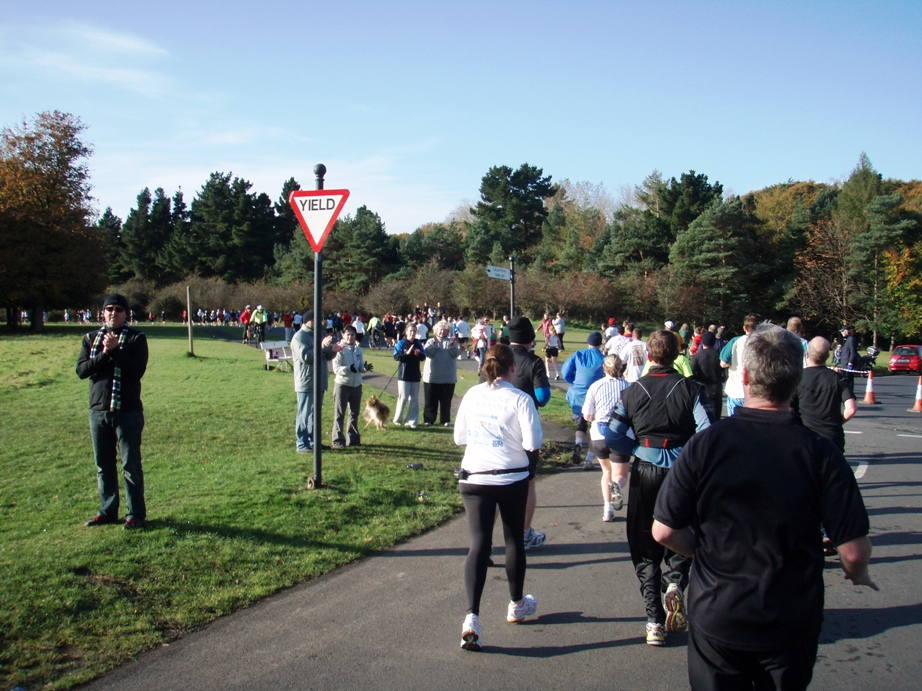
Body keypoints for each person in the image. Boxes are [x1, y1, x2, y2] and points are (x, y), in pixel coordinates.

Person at [652, 324, 877, 688]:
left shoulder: (706, 445)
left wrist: (704, 552)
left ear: (744, 376)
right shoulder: (822, 455)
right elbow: (852, 550)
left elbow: (663, 529)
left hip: (718, 612)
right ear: (797, 379)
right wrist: (858, 571)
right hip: (788, 618)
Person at [605, 330, 712, 646]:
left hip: (645, 470)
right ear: (678, 354)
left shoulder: (632, 391)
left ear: (649, 356)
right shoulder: (691, 389)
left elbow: (612, 435)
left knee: (643, 542)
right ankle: (676, 581)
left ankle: (653, 620)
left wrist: (637, 450)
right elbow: (706, 430)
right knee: (684, 530)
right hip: (682, 471)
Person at [454, 344, 543, 651]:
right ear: (512, 369)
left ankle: (472, 616)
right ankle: (516, 603)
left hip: (474, 477)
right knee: (514, 539)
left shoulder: (472, 395)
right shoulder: (520, 398)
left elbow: (459, 437)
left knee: (479, 543)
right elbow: (533, 443)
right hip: (510, 477)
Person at [76, 293, 149, 530]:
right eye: (109, 309)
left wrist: (117, 351)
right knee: (103, 465)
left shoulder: (136, 338)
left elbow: (136, 370)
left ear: (126, 314)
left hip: (127, 412)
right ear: (102, 312)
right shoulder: (90, 338)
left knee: (131, 466)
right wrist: (105, 354)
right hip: (99, 412)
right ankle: (107, 511)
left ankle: (135, 514)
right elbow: (82, 370)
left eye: (118, 309)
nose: (113, 313)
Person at [507, 317, 551, 551]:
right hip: (524, 428)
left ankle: (486, 542)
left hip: (497, 427)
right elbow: (542, 397)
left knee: (496, 486)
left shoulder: (496, 357)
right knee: (528, 484)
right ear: (530, 339)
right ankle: (523, 534)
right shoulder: (533, 361)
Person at [582, 354, 631, 522]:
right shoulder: (629, 387)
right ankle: (616, 486)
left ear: (604, 367)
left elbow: (587, 415)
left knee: (606, 472)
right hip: (620, 434)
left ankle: (607, 510)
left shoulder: (595, 386)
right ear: (621, 368)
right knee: (621, 474)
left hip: (598, 435)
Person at [793, 336, 858, 453]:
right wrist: (838, 422)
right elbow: (851, 409)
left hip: (805, 438)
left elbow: (788, 409)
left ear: (806, 354)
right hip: (832, 437)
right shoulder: (839, 379)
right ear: (828, 356)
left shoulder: (797, 379)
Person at [292, 310, 338, 453]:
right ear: (308, 321)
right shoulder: (299, 337)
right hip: (307, 382)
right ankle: (302, 444)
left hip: (319, 381)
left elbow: (323, 356)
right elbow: (307, 357)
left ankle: (314, 442)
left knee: (315, 414)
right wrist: (323, 347)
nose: (320, 322)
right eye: (317, 319)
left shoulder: (317, 335)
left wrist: (333, 350)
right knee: (305, 414)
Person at [561, 332, 606, 469]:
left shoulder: (578, 354)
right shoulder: (603, 358)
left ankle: (579, 443)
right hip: (596, 397)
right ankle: (588, 459)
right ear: (600, 343)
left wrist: (574, 381)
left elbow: (565, 372)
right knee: (594, 428)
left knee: (581, 424)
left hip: (578, 395)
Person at [331, 325, 366, 448]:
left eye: (352, 334)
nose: (350, 337)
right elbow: (336, 368)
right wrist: (347, 369)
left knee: (354, 414)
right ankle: (338, 440)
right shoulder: (339, 349)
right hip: (343, 385)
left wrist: (365, 368)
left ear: (355, 336)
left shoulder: (358, 350)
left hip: (356, 385)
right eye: (347, 334)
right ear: (343, 335)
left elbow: (360, 367)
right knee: (340, 414)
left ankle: (353, 439)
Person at [422, 320, 462, 426]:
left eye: (445, 330)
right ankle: (429, 420)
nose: (442, 332)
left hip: (448, 377)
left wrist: (452, 345)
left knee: (446, 401)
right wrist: (435, 345)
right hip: (432, 377)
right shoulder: (430, 341)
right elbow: (428, 353)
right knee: (430, 401)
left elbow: (456, 354)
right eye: (440, 330)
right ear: (436, 330)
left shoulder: (451, 341)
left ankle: (445, 420)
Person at [720, 313, 759, 416]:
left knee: (734, 426)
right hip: (757, 392)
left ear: (744, 328)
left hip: (736, 389)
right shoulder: (764, 343)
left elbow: (723, 364)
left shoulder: (735, 341)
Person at [392, 323, 426, 428]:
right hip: (404, 375)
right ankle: (398, 419)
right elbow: (396, 356)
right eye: (410, 331)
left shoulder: (418, 343)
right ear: (406, 332)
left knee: (414, 399)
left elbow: (423, 357)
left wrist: (418, 354)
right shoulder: (401, 343)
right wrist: (406, 354)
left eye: (414, 331)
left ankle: (412, 421)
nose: (412, 333)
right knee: (403, 397)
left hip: (415, 374)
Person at [691, 331, 724, 421]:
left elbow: (692, 372)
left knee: (702, 417)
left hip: (701, 388)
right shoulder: (719, 355)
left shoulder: (697, 356)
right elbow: (724, 372)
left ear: (703, 342)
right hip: (716, 387)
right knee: (716, 416)